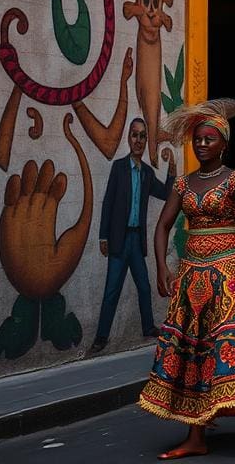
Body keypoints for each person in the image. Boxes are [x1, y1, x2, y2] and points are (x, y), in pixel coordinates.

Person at [139, 99, 235, 460]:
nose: (202, 144)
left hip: (230, 276)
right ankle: (200, 433)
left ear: (224, 143)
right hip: (193, 276)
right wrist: (162, 267)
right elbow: (162, 226)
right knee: (194, 349)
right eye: (197, 139)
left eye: (209, 139)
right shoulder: (184, 183)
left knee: (232, 345)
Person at [89, 118, 175, 354]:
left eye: (142, 136)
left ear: (146, 141)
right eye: (135, 135)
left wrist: (173, 168)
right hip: (118, 239)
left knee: (145, 287)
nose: (138, 140)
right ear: (129, 138)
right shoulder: (118, 168)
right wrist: (103, 236)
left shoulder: (147, 173)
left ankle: (148, 327)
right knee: (111, 291)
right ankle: (101, 337)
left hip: (136, 242)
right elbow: (107, 202)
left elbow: (166, 193)